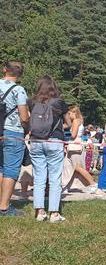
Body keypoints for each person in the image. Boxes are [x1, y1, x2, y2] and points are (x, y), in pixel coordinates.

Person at [28, 76, 70, 223]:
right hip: (54, 140)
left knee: (39, 178)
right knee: (54, 178)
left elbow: (28, 121)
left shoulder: (32, 102)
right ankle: (54, 213)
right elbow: (68, 123)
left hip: (36, 141)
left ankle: (40, 212)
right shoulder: (59, 102)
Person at [0, 61, 29, 217]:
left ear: (4, 69)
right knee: (10, 170)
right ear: (20, 74)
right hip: (13, 132)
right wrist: (28, 128)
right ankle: (4, 207)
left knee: (0, 168)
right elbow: (24, 117)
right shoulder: (19, 90)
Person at [63, 106, 97, 193]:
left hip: (74, 145)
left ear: (74, 113)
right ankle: (66, 186)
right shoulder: (79, 121)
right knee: (69, 167)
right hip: (77, 144)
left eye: (69, 113)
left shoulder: (75, 121)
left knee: (77, 167)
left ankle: (93, 183)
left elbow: (73, 135)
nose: (68, 115)